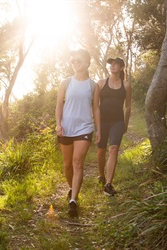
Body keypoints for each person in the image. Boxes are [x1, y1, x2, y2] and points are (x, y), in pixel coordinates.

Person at [55, 49, 101, 217]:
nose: (75, 62)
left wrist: (98, 129)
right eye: (73, 60)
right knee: (67, 165)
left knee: (77, 162)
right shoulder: (65, 83)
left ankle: (73, 200)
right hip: (66, 128)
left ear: (88, 62)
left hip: (85, 128)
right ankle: (71, 187)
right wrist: (58, 124)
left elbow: (96, 108)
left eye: (79, 60)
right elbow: (59, 105)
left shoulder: (93, 86)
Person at [97, 57, 131, 196]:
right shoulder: (100, 83)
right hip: (102, 121)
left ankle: (108, 184)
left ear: (121, 68)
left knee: (113, 149)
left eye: (116, 64)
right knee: (101, 150)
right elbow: (94, 105)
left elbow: (128, 106)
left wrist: (126, 123)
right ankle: (101, 175)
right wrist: (96, 123)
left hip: (117, 122)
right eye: (111, 64)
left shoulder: (126, 85)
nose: (112, 66)